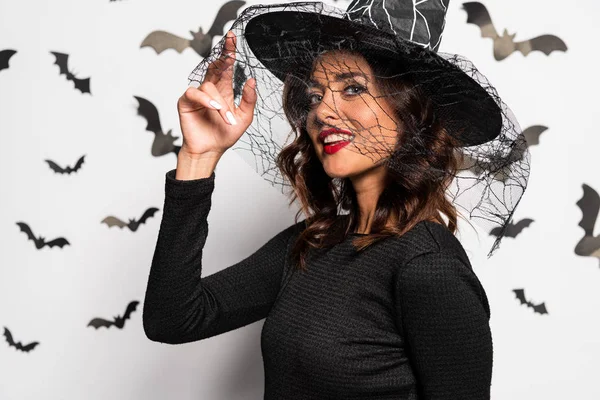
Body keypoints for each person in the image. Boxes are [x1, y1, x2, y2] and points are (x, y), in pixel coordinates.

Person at [143, 1, 530, 399]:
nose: (324, 111)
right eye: (314, 96)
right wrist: (198, 158)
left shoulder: (428, 268)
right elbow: (172, 319)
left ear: (409, 111)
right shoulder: (313, 243)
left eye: (353, 88)